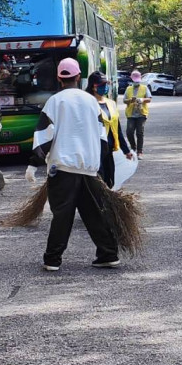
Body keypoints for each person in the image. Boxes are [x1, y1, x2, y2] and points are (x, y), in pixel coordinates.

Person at [32, 58, 121, 271]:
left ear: (58, 78)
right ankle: (108, 253)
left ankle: (53, 259)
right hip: (89, 168)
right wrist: (99, 162)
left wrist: (33, 163)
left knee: (62, 214)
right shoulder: (91, 101)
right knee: (94, 213)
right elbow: (102, 136)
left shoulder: (54, 101)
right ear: (78, 77)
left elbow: (45, 135)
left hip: (63, 168)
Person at [87, 71, 134, 187]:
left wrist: (126, 150)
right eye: (102, 85)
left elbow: (117, 128)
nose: (105, 87)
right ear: (93, 86)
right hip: (95, 151)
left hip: (109, 150)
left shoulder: (111, 103)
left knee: (110, 181)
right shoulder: (88, 104)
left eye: (106, 84)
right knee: (99, 182)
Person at [123, 70, 151, 157]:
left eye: (137, 81)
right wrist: (130, 100)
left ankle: (140, 151)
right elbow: (124, 100)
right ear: (131, 79)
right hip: (131, 114)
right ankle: (133, 147)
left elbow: (149, 99)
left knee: (140, 132)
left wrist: (142, 100)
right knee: (129, 132)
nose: (136, 83)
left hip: (141, 113)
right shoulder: (128, 89)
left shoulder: (144, 88)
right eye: (135, 81)